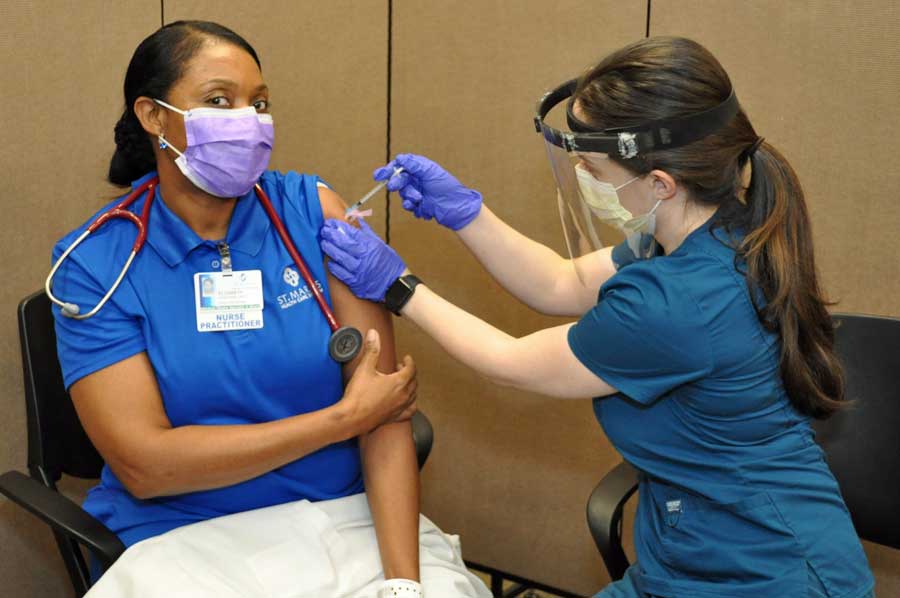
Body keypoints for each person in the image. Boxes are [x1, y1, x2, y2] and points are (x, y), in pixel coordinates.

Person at [320, 37, 875, 598]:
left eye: (592, 168)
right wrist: (466, 213)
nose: (583, 174)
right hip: (695, 557)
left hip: (771, 574)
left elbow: (510, 361)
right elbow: (564, 282)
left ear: (660, 183)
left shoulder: (677, 306)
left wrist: (399, 288)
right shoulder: (706, 229)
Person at [51, 20, 489, 598]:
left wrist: (403, 583)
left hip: (342, 521)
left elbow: (384, 413)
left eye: (259, 103)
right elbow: (146, 466)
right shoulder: (96, 264)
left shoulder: (312, 211)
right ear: (153, 117)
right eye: (218, 101)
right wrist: (338, 421)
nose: (249, 121)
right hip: (182, 542)